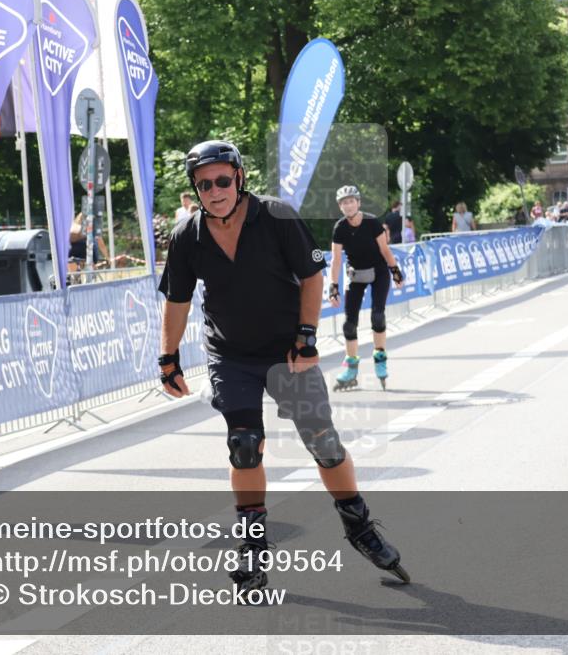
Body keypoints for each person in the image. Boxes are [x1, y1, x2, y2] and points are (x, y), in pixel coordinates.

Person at [157, 141, 409, 597]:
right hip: (231, 355)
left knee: (325, 444)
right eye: (204, 184)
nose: (214, 191)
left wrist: (307, 336)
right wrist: (168, 358)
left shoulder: (276, 216)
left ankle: (359, 526)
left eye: (222, 180)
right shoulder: (187, 235)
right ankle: (252, 548)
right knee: (244, 445)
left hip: (287, 351)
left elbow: (313, 276)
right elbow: (177, 299)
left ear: (239, 178)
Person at [327, 185, 404, 392]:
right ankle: (351, 368)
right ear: (340, 207)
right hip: (356, 274)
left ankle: (380, 357)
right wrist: (333, 286)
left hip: (378, 271)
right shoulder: (340, 228)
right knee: (349, 325)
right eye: (344, 202)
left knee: (377, 316)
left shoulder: (371, 222)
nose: (348, 205)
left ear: (358, 203)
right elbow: (335, 260)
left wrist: (395, 271)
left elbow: (385, 249)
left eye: (351, 201)